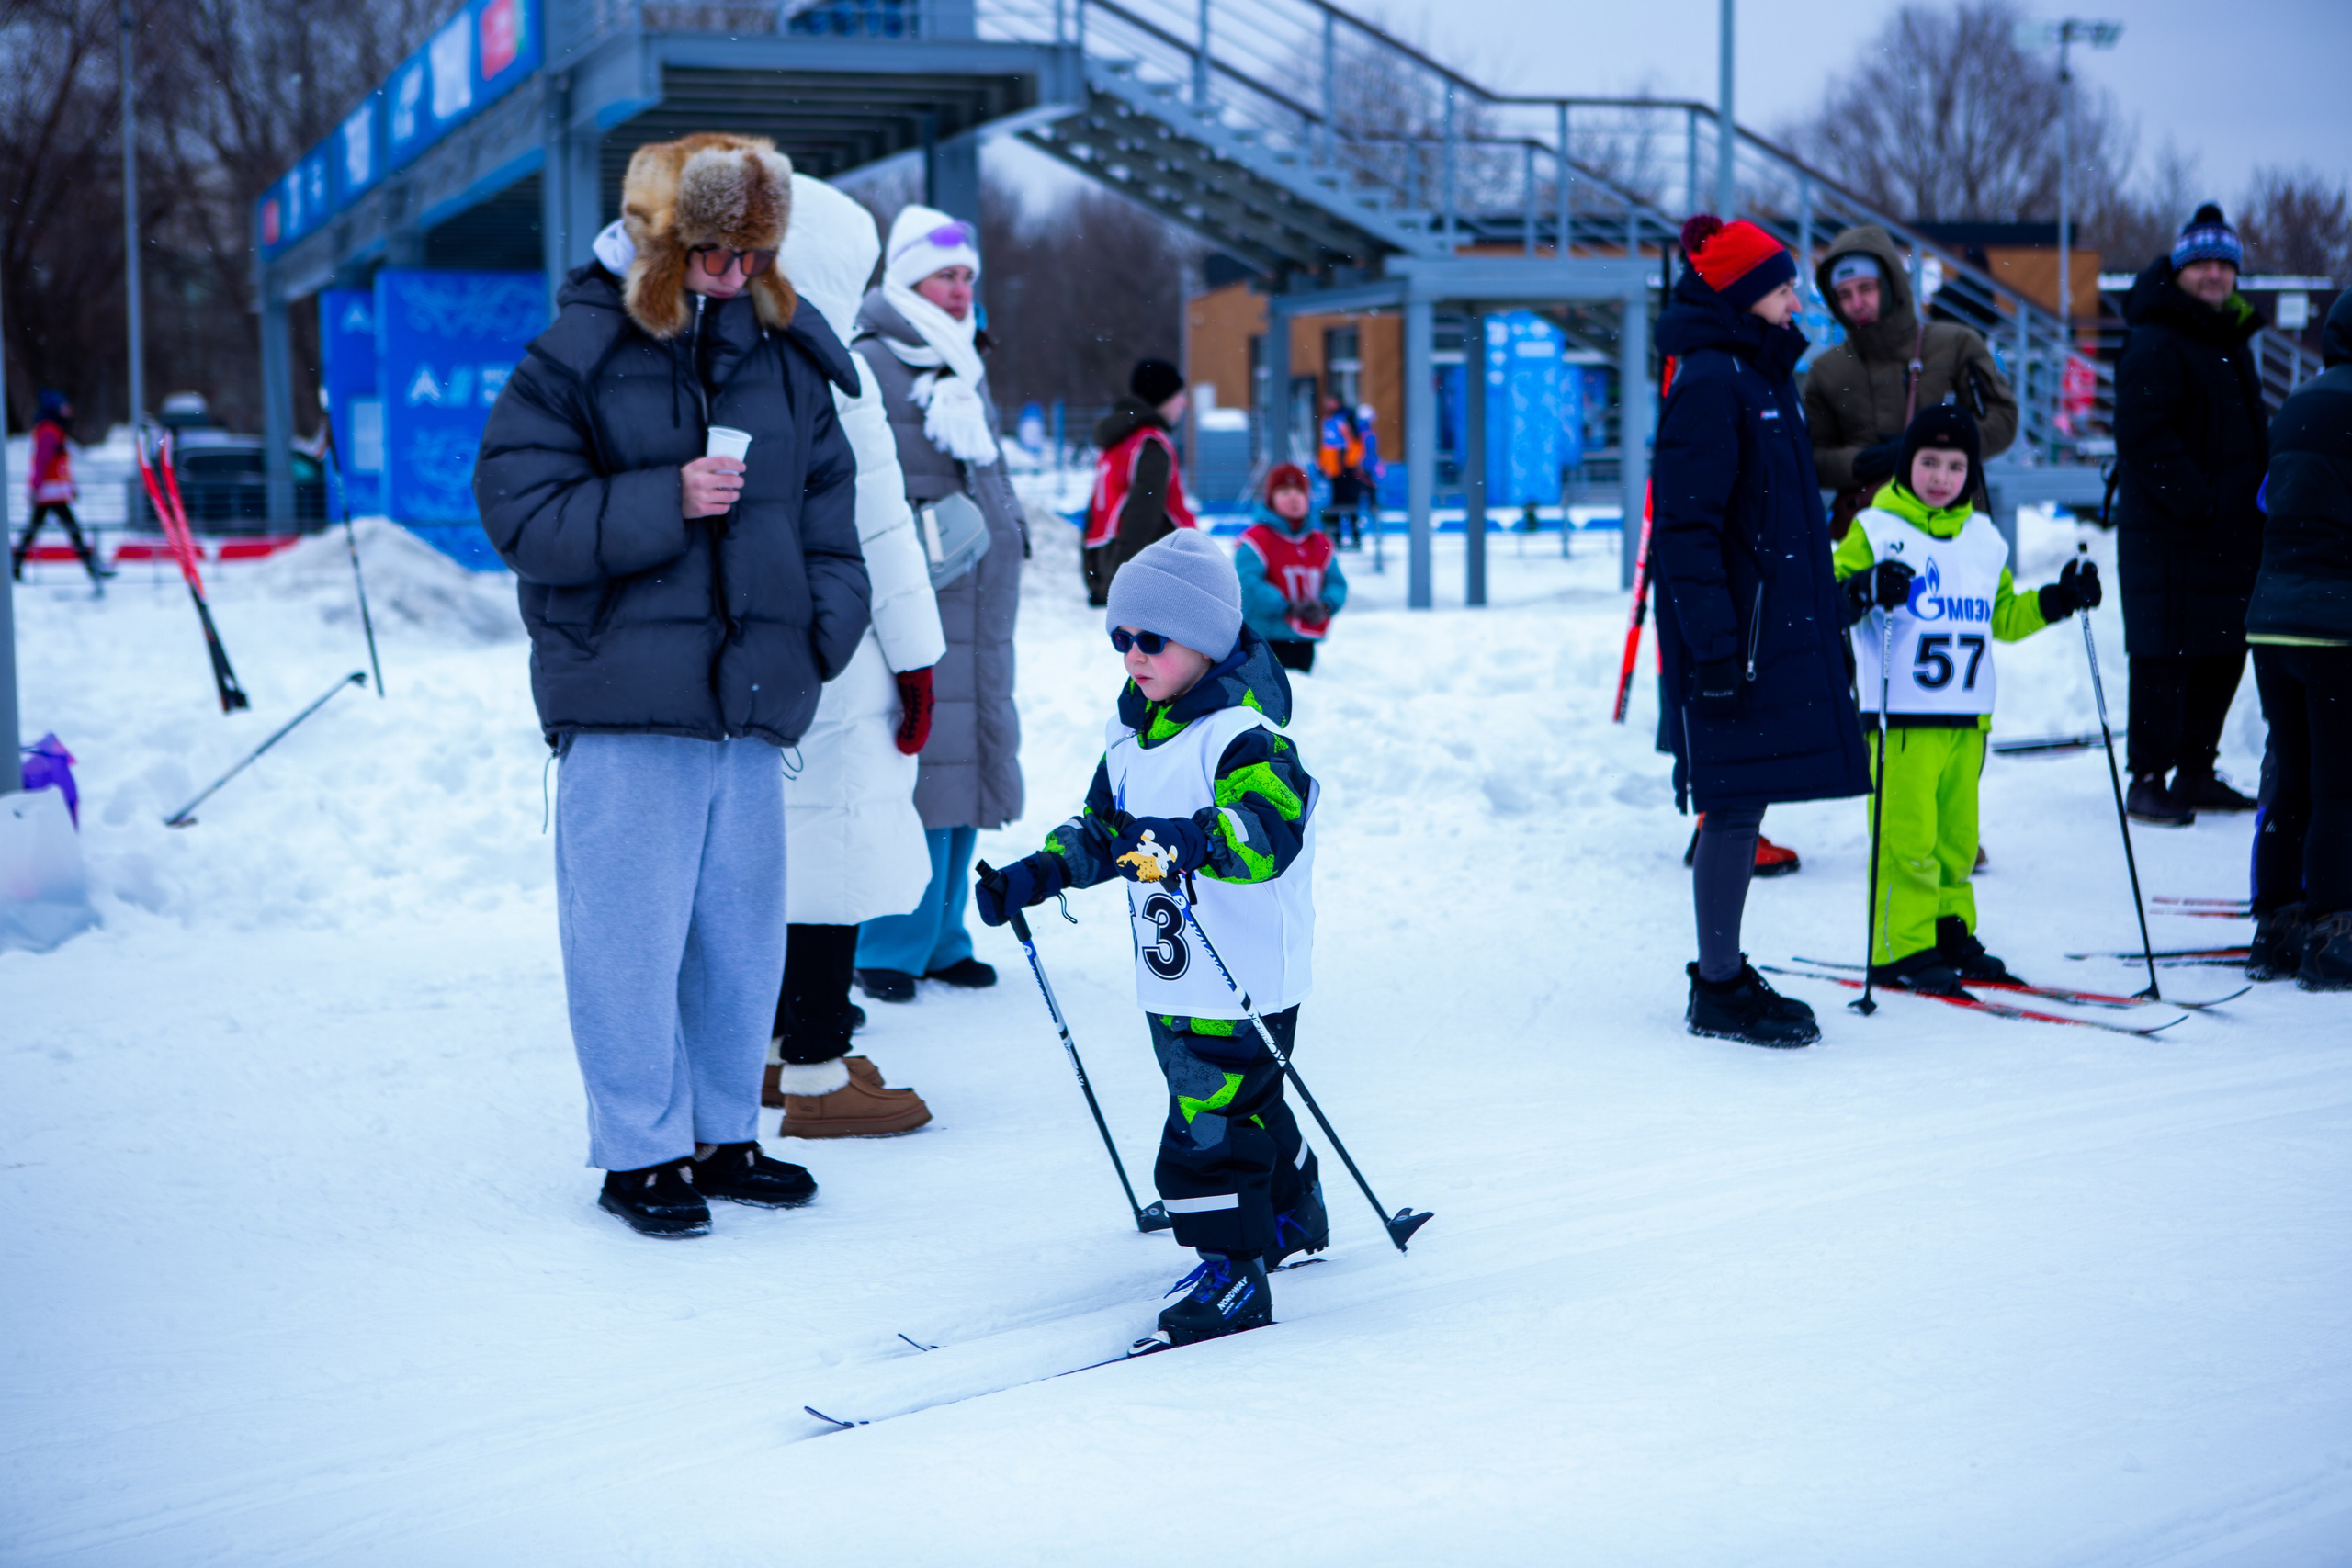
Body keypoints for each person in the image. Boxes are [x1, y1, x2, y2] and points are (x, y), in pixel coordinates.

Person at [474, 132, 869, 1237]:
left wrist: (816, 639)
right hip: (623, 698)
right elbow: (519, 514)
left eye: (751, 255)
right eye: (711, 254)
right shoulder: (575, 353)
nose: (732, 276)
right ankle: (639, 1152)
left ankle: (719, 1131)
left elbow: (834, 518)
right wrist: (667, 497)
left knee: (740, 939)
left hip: (748, 706)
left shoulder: (786, 358)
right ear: (660, 242)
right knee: (627, 940)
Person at [973, 529, 1325, 1347]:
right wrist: (1039, 873)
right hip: (1174, 974)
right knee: (1244, 1101)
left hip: (1242, 973)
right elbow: (1102, 830)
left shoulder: (1245, 736)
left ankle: (1234, 1270)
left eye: (1152, 639)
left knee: (1205, 1120)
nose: (1131, 653)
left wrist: (1195, 838)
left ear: (1203, 640)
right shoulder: (1131, 736)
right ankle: (1291, 1208)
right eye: (1120, 636)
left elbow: (1272, 825)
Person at [1653, 214, 1872, 1049]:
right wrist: (1713, 648)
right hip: (1732, 643)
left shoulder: (1757, 373)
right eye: (1785, 289)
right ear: (1747, 296)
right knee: (1733, 805)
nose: (1797, 302)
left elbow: (1776, 524)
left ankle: (1724, 973)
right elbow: (1687, 529)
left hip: (1759, 633)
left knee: (1743, 801)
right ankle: (1717, 986)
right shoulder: (1715, 381)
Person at [762, 175, 948, 1134]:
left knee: (780, 859)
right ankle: (819, 1074)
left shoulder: (738, 357)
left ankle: (769, 1044)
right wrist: (920, 662)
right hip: (851, 652)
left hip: (774, 652)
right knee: (834, 856)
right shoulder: (837, 373)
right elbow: (884, 535)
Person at [1832, 405, 2102, 993]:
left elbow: (2002, 617)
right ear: (1906, 465)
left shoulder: (1984, 539)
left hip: (1966, 717)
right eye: (1928, 462)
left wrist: (2059, 599)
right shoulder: (1877, 528)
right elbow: (1826, 601)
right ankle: (1900, 946)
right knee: (1907, 839)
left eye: (1955, 466)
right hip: (1899, 716)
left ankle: (1948, 929)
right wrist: (1865, 587)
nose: (1940, 477)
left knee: (1955, 839)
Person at [850, 203, 1028, 1005]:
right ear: (907, 277)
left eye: (966, 278)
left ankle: (943, 933)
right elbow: (868, 489)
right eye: (944, 276)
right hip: (917, 601)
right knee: (915, 773)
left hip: (977, 606)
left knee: (963, 771)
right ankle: (890, 940)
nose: (959, 291)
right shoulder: (875, 362)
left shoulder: (960, 363)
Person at [2113, 205, 2269, 827]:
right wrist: (2200, 501)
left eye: (2223, 264)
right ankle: (2148, 778)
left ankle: (2197, 769)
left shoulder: (2230, 339)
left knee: (2222, 650)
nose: (2212, 275)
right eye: (2201, 263)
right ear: (2179, 270)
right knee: (2165, 655)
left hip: (2230, 533)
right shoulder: (2157, 338)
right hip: (2173, 536)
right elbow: (2144, 434)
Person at [2243, 290, 2352, 988]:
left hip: (2272, 616)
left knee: (2291, 776)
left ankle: (2275, 925)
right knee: (2343, 784)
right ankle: (2335, 929)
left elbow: (2264, 498)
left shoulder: (2299, 402)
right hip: (2338, 621)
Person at [1803, 225, 2018, 534]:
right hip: (1869, 536)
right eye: (1844, 294)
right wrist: (1862, 462)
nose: (1856, 303)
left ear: (1890, 284)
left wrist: (1940, 448)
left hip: (1954, 528)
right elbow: (1812, 458)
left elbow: (2003, 418)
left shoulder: (1956, 345)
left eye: (1866, 288)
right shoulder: (1826, 370)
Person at [1083, 358, 1196, 604]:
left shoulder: (1115, 442)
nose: (1183, 402)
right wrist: (1121, 577)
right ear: (1162, 396)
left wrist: (1095, 572)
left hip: (1112, 557)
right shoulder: (1150, 442)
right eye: (1179, 394)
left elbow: (1095, 511)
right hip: (1153, 564)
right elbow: (1143, 513)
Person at [1236, 462, 1347, 673]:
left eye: (1299, 491)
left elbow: (1336, 581)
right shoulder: (1255, 540)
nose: (1293, 497)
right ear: (1271, 499)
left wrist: (1326, 605)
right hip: (1266, 638)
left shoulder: (1320, 542)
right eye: (1285, 491)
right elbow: (1248, 583)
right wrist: (1284, 606)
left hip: (1305, 638)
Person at [11, 390, 108, 584]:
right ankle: (93, 568)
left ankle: (14, 566)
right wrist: (36, 487)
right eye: (64, 406)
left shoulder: (53, 428)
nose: (68, 409)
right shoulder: (49, 430)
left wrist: (69, 487)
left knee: (34, 530)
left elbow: (57, 464)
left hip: (52, 493)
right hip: (50, 494)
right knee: (71, 531)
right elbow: (42, 461)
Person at [1317, 396, 1365, 549]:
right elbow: (1327, 446)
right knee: (1337, 506)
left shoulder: (1343, 419)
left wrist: (1349, 464)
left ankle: (1353, 538)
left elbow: (1354, 444)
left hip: (1345, 471)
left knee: (1349, 505)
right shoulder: (1329, 420)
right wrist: (1323, 465)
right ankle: (1337, 539)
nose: (1328, 404)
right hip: (1334, 471)